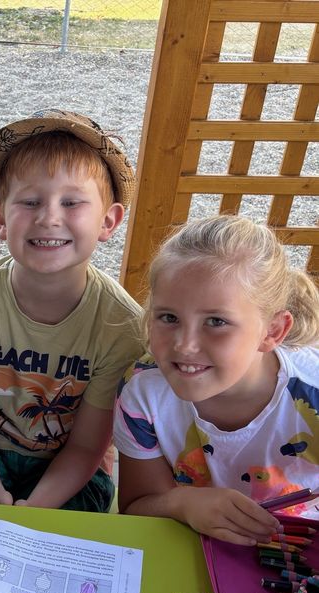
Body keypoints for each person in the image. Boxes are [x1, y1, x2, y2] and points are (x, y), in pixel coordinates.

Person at [0, 109, 143, 510]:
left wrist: (37, 506)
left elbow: (86, 447)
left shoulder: (121, 325)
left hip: (73, 471)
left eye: (72, 202)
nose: (49, 217)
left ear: (108, 221)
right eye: (30, 201)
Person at [113, 215, 319, 543]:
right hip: (189, 549)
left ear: (273, 331)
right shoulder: (143, 395)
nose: (184, 345)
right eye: (169, 317)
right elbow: (137, 507)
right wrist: (183, 503)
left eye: (216, 321)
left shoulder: (313, 394)